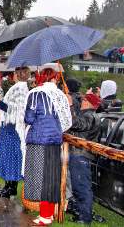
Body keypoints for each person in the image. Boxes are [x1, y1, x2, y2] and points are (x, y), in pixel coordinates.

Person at [23, 68, 72, 226]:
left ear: (42, 77)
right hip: (55, 142)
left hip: (39, 140)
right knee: (51, 177)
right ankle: (48, 214)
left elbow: (29, 118)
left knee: (40, 178)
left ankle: (44, 216)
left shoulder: (36, 94)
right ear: (54, 79)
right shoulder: (60, 96)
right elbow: (66, 122)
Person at [0, 67, 30, 199]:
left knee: (10, 157)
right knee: (10, 157)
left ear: (17, 75)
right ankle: (9, 186)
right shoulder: (19, 88)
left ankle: (10, 188)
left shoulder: (20, 89)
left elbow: (16, 110)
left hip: (12, 129)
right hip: (10, 128)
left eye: (15, 73)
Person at [66, 92, 102, 224]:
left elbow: (75, 123)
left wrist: (70, 106)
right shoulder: (89, 115)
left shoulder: (90, 116)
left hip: (81, 156)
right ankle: (81, 215)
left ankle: (84, 218)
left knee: (82, 187)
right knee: (78, 187)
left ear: (87, 103)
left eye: (84, 100)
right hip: (78, 155)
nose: (81, 102)